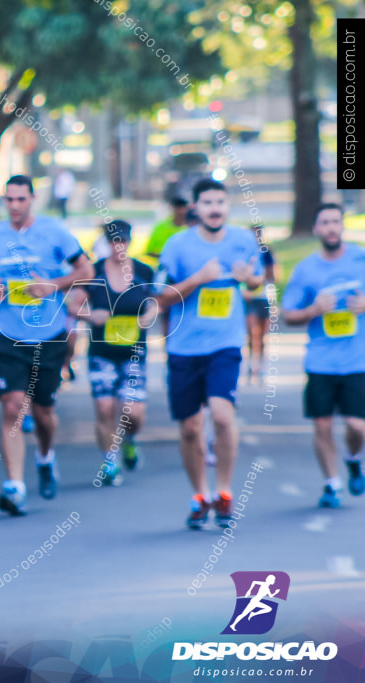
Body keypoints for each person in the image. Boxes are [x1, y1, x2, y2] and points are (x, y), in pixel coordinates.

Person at [0, 175, 94, 516]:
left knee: (44, 415)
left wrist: (53, 285)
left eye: (20, 200)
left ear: (32, 200)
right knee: (13, 407)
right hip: (7, 334)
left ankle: (45, 457)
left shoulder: (55, 231)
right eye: (9, 200)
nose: (14, 206)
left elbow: (86, 269)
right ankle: (14, 486)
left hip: (49, 334)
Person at [156, 178, 264, 529]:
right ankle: (200, 494)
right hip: (184, 347)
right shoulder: (178, 245)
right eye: (207, 203)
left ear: (227, 206)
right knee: (189, 428)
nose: (215, 208)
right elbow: (160, 296)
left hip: (226, 344)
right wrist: (198, 279)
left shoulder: (243, 240)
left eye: (220, 202)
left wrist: (250, 280)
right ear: (195, 208)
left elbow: (256, 281)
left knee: (221, 415)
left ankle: (224, 492)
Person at [281, 203, 365, 509]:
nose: (330, 228)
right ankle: (332, 484)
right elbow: (288, 314)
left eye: (335, 221)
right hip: (320, 362)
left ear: (342, 226)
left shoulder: (360, 258)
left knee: (358, 427)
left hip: (358, 360)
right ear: (316, 229)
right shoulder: (306, 269)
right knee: (323, 426)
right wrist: (314, 310)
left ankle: (354, 460)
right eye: (324, 223)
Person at [68, 220, 156, 484]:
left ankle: (130, 440)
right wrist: (90, 315)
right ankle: (109, 461)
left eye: (124, 241)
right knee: (105, 408)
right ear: (107, 243)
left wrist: (149, 316)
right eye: (114, 241)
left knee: (132, 413)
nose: (119, 246)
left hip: (133, 352)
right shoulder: (94, 272)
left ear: (130, 242)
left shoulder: (144, 271)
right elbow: (73, 305)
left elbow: (157, 302)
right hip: (101, 351)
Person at [244, 225, 278, 384]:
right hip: (249, 298)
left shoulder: (266, 252)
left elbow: (272, 275)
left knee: (263, 334)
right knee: (252, 333)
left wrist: (260, 278)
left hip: (264, 296)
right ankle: (252, 364)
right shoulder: (243, 252)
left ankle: (261, 365)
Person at [144, 197, 190, 267]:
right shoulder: (160, 227)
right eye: (178, 208)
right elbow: (149, 251)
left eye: (183, 208)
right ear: (172, 208)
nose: (181, 211)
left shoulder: (191, 228)